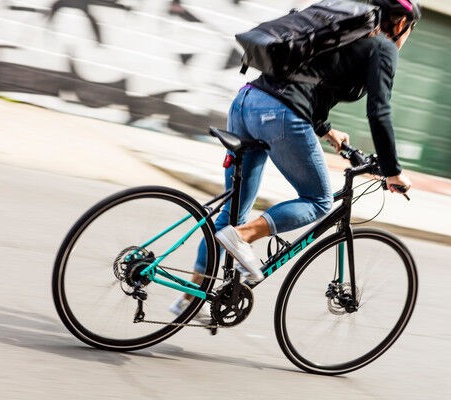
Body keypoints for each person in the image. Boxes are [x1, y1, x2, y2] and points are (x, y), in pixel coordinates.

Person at [170, 0, 421, 315]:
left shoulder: (340, 37)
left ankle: (189, 299)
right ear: (400, 24)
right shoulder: (382, 48)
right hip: (280, 114)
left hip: (247, 101)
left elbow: (314, 88)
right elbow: (379, 111)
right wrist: (392, 169)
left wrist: (328, 131)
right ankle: (243, 237)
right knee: (317, 201)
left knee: (230, 214)